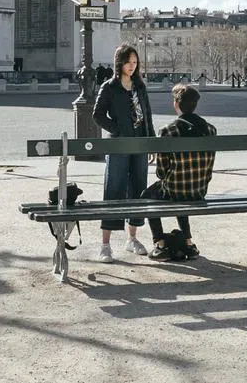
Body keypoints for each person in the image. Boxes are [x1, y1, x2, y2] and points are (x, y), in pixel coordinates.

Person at [92, 44, 155, 263]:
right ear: (120, 62)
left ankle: (132, 239)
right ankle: (105, 244)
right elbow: (98, 115)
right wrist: (117, 129)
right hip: (118, 146)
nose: (132, 66)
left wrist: (151, 143)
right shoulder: (109, 87)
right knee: (114, 189)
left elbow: (147, 115)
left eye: (135, 63)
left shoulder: (140, 86)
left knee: (138, 188)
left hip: (140, 143)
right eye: (129, 62)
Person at [142, 84, 216, 261]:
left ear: (176, 103)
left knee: (147, 195)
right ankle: (189, 244)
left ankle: (160, 245)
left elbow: (161, 172)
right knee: (183, 188)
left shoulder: (169, 130)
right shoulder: (211, 129)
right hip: (199, 191)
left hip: (176, 190)